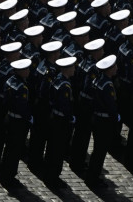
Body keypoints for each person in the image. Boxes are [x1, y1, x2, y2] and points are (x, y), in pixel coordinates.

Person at [85, 55, 120, 188]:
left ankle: (92, 176)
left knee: (97, 151)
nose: (116, 68)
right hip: (104, 121)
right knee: (100, 152)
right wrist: (116, 116)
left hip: (97, 118)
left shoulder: (99, 80)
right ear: (109, 69)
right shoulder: (107, 85)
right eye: (115, 66)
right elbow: (111, 105)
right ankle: (93, 178)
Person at [0, 59, 33, 188]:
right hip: (19, 121)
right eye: (27, 69)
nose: (29, 71)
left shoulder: (10, 81)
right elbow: (22, 107)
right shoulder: (22, 87)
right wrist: (28, 117)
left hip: (10, 117)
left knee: (9, 149)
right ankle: (9, 177)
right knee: (14, 150)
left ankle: (5, 174)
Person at [44, 57, 76, 188]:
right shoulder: (65, 85)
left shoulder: (58, 79)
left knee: (52, 147)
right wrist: (70, 117)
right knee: (58, 150)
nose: (74, 69)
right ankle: (53, 177)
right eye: (73, 67)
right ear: (67, 69)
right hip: (61, 120)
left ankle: (49, 174)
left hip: (55, 117)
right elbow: (65, 105)